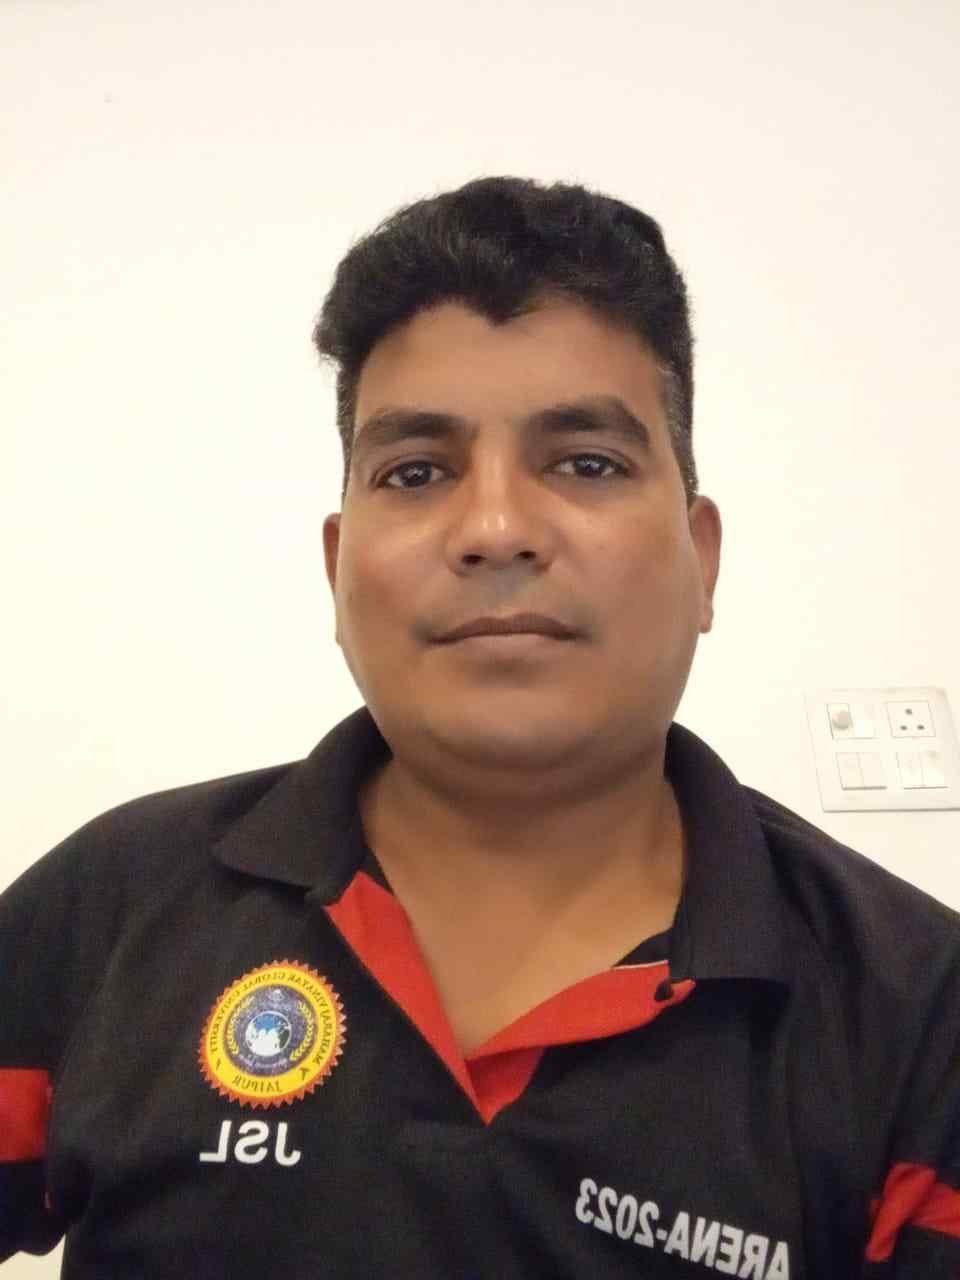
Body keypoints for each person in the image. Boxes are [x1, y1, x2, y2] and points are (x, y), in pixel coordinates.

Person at [1, 176, 958, 1279]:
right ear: (337, 567)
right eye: (416, 472)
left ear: (702, 559)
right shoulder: (115, 903)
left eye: (587, 463)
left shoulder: (920, 1013)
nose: (496, 528)